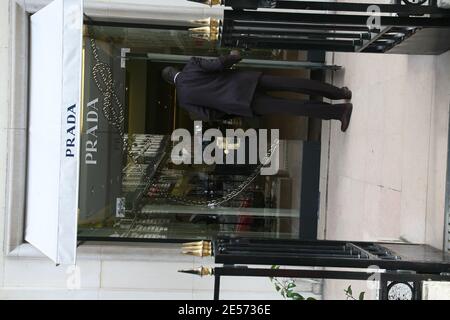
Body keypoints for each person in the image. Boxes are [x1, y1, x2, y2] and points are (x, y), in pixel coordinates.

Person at [162, 50, 353, 132]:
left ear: (172, 83)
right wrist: (233, 57)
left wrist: (227, 108)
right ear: (175, 71)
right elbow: (217, 64)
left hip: (241, 103)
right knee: (294, 84)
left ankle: (339, 112)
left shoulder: (184, 101)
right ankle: (340, 93)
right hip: (246, 81)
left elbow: (209, 114)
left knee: (293, 107)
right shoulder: (191, 65)